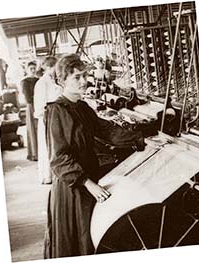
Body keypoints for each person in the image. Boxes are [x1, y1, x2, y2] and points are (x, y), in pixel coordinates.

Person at [43, 54, 145, 258]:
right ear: (62, 81)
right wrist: (89, 184)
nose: (84, 81)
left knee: (89, 233)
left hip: (88, 179)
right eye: (77, 77)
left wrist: (141, 137)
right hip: (73, 188)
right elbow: (59, 159)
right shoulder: (57, 111)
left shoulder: (81, 107)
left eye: (85, 75)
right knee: (80, 237)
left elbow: (105, 130)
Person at [34, 56, 62, 184]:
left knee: (53, 145)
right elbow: (40, 105)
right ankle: (47, 176)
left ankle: (55, 174)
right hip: (46, 117)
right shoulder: (41, 83)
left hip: (53, 116)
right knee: (47, 146)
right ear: (49, 67)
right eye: (56, 67)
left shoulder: (52, 81)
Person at [21, 61, 39, 161]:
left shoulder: (38, 80)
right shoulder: (25, 82)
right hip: (32, 106)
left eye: (34, 68)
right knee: (33, 128)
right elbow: (28, 98)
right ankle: (34, 153)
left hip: (39, 104)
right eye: (31, 68)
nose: (33, 70)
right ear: (27, 70)